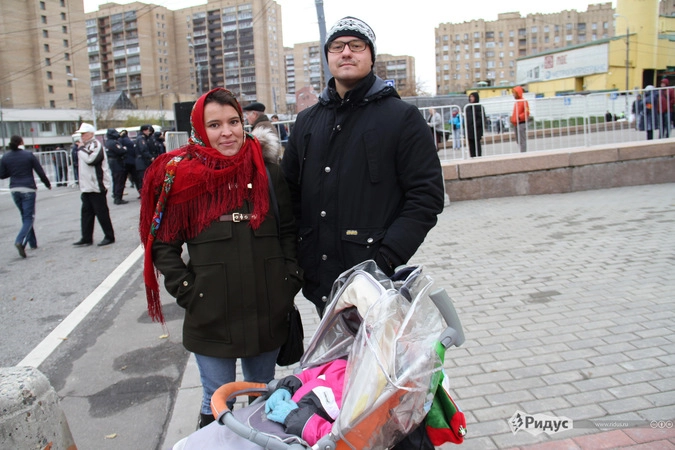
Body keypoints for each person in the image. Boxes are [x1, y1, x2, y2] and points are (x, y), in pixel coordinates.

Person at [138, 88, 303, 429]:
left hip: (266, 309)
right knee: (216, 401)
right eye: (215, 125)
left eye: (233, 122)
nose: (227, 132)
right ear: (200, 129)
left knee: (263, 397)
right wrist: (188, 291)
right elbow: (164, 245)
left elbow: (288, 230)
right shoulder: (182, 178)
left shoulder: (267, 171)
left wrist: (288, 280)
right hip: (210, 314)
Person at [280, 16, 444, 317]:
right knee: (334, 351)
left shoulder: (401, 118)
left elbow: (426, 197)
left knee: (381, 350)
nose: (346, 52)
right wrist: (298, 256)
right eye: (337, 46)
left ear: (371, 56)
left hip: (374, 280)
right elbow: (288, 196)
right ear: (328, 56)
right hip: (321, 281)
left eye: (356, 45)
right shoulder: (307, 122)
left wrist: (386, 258)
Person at [0, 135, 52, 258]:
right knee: (29, 217)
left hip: (15, 188)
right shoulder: (28, 155)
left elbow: (2, 175)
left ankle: (32, 242)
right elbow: (40, 171)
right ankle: (20, 240)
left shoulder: (5, 157)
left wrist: (13, 171)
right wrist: (47, 184)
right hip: (28, 188)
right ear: (21, 142)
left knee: (25, 216)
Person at [73, 123, 115, 247]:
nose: (82, 136)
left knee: (101, 212)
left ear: (91, 134)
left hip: (97, 185)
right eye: (81, 134)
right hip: (87, 186)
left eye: (84, 134)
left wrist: (81, 148)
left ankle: (109, 236)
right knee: (86, 213)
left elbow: (90, 160)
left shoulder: (96, 145)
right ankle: (86, 237)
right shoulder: (85, 146)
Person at [104, 128, 128, 205]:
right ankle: (118, 198)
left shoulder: (108, 142)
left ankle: (116, 195)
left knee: (116, 180)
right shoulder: (113, 142)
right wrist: (124, 149)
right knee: (119, 180)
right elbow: (121, 151)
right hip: (117, 162)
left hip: (113, 162)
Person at [119, 129, 140, 196]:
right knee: (137, 179)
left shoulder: (120, 141)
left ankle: (119, 196)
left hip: (125, 162)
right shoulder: (129, 141)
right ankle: (141, 193)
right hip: (132, 161)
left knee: (122, 180)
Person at [465, 92, 486, 158]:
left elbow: (481, 118)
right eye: (470, 97)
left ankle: (478, 157)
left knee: (477, 144)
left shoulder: (479, 107)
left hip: (477, 129)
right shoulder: (468, 107)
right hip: (469, 130)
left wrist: (475, 125)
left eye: (472, 97)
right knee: (471, 145)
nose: (471, 98)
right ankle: (472, 157)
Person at [134, 125, 154, 191]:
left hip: (142, 161)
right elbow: (143, 149)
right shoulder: (141, 139)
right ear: (144, 131)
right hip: (142, 162)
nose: (149, 132)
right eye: (148, 130)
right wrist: (150, 157)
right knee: (143, 179)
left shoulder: (143, 138)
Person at [511, 85, 530, 152]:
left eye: (514, 93)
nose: (513, 94)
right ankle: (522, 152)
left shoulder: (524, 101)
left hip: (521, 123)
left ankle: (523, 153)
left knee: (522, 140)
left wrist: (519, 117)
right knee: (518, 140)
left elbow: (526, 112)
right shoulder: (517, 102)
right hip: (516, 123)